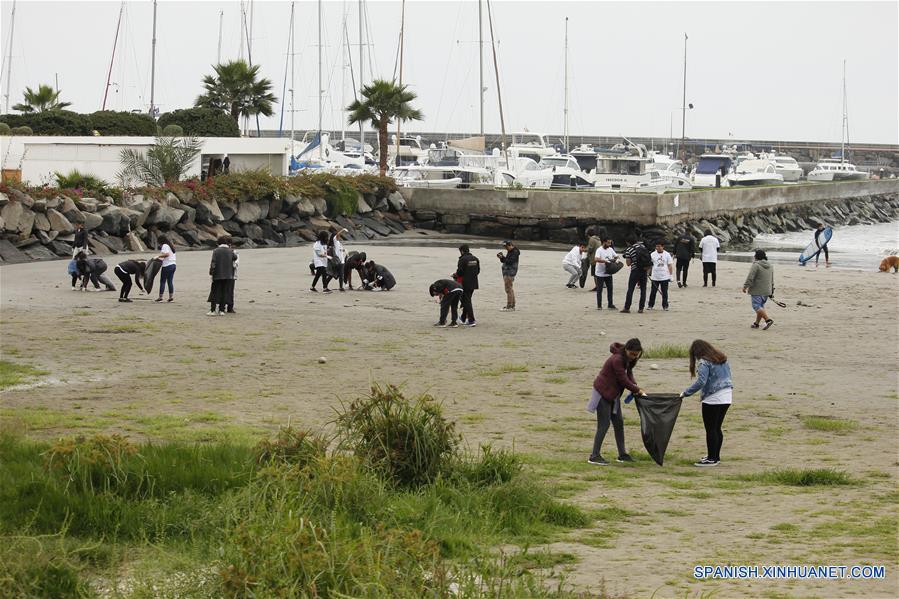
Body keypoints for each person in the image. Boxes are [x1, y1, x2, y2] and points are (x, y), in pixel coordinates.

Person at [587, 339, 646, 465]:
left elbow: (629, 373)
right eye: (632, 354)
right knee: (604, 424)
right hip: (603, 392)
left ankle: (622, 454)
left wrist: (634, 385)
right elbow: (623, 379)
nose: (634, 357)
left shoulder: (628, 358)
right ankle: (594, 456)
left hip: (613, 394)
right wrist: (637, 390)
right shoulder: (617, 359)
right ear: (626, 349)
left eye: (636, 355)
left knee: (619, 423)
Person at [679, 340, 733, 467]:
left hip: (713, 398)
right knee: (717, 428)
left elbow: (701, 382)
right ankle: (715, 456)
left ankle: (711, 459)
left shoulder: (704, 362)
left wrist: (685, 393)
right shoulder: (722, 358)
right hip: (727, 396)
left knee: (711, 429)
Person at [742, 249, 775, 330]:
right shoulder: (770, 266)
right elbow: (772, 279)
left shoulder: (756, 265)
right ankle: (756, 323)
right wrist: (772, 290)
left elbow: (750, 277)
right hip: (767, 290)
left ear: (756, 256)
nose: (754, 256)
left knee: (756, 306)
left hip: (757, 290)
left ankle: (768, 320)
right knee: (760, 307)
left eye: (755, 255)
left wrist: (745, 286)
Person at [620, 238, 651, 313]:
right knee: (643, 290)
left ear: (628, 242)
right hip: (644, 270)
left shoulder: (629, 249)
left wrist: (630, 258)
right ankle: (641, 308)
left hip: (635, 270)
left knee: (630, 289)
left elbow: (628, 263)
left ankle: (627, 308)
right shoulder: (643, 247)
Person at [208, 235, 237, 315]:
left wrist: (211, 272)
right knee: (224, 292)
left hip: (217, 274)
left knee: (214, 292)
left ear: (218, 243)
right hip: (228, 275)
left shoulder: (216, 251)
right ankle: (221, 310)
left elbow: (213, 263)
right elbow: (235, 257)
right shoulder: (230, 251)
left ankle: (213, 310)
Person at [456, 244, 480, 327]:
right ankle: (463, 318)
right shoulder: (475, 258)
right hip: (473, 282)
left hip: (464, 283)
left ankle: (471, 320)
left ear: (462, 251)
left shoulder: (462, 259)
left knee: (466, 301)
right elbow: (478, 271)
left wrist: (455, 275)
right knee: (467, 300)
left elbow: (460, 272)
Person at [647, 241, 674, 311]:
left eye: (659, 246)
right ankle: (650, 305)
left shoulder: (667, 254)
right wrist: (647, 273)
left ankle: (665, 306)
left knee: (664, 292)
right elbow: (650, 265)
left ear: (663, 247)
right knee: (653, 292)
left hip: (664, 276)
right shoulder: (652, 254)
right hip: (655, 276)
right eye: (656, 246)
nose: (658, 248)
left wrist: (671, 275)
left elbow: (670, 265)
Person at [593, 238, 618, 310]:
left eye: (610, 243)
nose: (609, 244)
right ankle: (599, 305)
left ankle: (610, 304)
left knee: (610, 289)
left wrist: (614, 259)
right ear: (604, 242)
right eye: (608, 243)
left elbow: (616, 256)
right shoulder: (599, 250)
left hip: (609, 272)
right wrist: (605, 261)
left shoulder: (610, 249)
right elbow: (596, 259)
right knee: (599, 290)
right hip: (600, 273)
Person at [497, 240, 520, 311]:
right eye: (505, 247)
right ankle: (512, 305)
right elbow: (506, 261)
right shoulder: (511, 251)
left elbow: (509, 262)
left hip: (509, 273)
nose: (506, 248)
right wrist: (501, 257)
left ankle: (509, 306)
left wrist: (503, 258)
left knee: (508, 289)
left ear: (510, 245)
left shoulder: (514, 252)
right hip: (508, 272)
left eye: (506, 247)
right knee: (510, 288)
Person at [156, 236, 176, 302]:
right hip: (173, 265)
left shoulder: (165, 245)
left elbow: (167, 254)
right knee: (170, 281)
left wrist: (158, 256)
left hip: (167, 265)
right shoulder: (170, 246)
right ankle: (171, 297)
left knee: (163, 281)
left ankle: (160, 297)